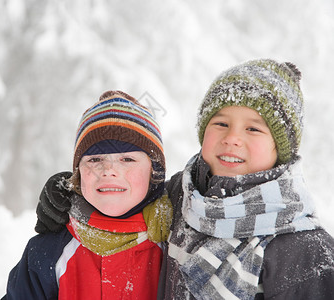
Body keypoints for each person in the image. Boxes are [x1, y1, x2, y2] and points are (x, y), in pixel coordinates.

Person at [34, 59, 334, 299]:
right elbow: (126, 194)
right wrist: (69, 192)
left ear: (280, 148)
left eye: (253, 129)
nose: (232, 138)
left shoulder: (305, 250)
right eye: (221, 123)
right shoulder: (182, 195)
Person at [2, 91, 172, 300]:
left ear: (154, 172)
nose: (108, 170)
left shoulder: (175, 245)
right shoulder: (47, 251)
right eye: (94, 160)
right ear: (78, 173)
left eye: (127, 159)